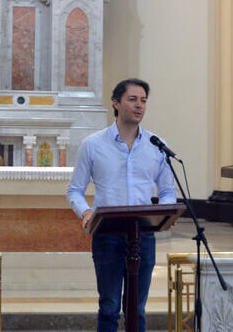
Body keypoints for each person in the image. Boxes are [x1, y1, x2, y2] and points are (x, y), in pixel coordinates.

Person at [66, 78, 177, 331]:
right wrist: (85, 211)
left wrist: (166, 211)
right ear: (116, 103)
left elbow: (168, 191)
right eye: (132, 99)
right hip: (108, 234)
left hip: (143, 234)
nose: (139, 106)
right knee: (109, 306)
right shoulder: (93, 145)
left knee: (137, 308)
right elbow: (74, 190)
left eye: (143, 100)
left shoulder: (157, 146)